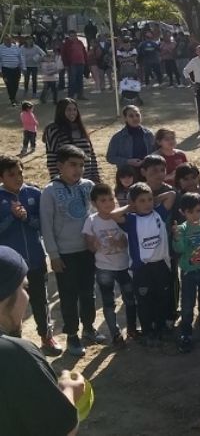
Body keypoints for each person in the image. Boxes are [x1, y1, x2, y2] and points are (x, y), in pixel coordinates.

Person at [0, 246, 84, 436]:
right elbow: (64, 430)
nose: (27, 297)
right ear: (5, 297)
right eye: (24, 288)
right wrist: (70, 391)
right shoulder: (15, 354)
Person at [40, 145, 104, 357]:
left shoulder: (89, 186)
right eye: (73, 164)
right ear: (60, 166)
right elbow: (46, 226)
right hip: (65, 254)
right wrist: (54, 255)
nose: (78, 169)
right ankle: (72, 335)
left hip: (87, 251)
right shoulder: (49, 191)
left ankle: (89, 328)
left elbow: (96, 215)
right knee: (69, 295)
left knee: (88, 292)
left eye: (81, 165)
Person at [0, 155, 61, 354]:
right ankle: (12, 345)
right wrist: (11, 218)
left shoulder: (34, 193)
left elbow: (44, 225)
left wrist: (26, 218)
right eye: (11, 174)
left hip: (35, 259)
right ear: (1, 177)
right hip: (9, 268)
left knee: (40, 300)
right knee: (9, 305)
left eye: (20, 172)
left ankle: (46, 337)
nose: (18, 177)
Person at [113, 182, 174, 346]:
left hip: (161, 265)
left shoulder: (158, 213)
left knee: (162, 298)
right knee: (145, 302)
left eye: (149, 199)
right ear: (134, 203)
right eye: (142, 201)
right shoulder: (131, 220)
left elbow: (171, 195)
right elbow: (114, 215)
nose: (147, 204)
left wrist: (155, 199)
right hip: (142, 269)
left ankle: (161, 328)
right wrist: (129, 207)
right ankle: (148, 331)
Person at [82, 183, 135, 347]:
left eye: (111, 199)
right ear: (94, 203)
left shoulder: (120, 217)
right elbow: (89, 245)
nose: (108, 203)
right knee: (108, 303)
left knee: (130, 299)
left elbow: (129, 240)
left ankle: (132, 329)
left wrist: (120, 242)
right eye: (103, 200)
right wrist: (93, 244)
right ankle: (115, 334)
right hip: (104, 268)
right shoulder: (91, 221)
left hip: (124, 266)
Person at [106, 105, 156, 171]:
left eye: (137, 115)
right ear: (125, 118)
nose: (135, 118)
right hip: (127, 173)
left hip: (146, 172)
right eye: (131, 116)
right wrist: (127, 161)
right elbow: (110, 157)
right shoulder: (118, 137)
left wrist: (146, 160)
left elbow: (155, 153)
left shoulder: (149, 134)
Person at [61, 30, 87, 100]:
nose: (73, 37)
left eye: (74, 36)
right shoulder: (66, 44)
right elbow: (63, 55)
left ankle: (80, 95)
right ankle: (71, 95)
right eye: (71, 36)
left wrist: (85, 61)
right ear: (69, 36)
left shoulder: (80, 42)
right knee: (72, 80)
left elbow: (84, 51)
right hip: (72, 64)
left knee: (80, 80)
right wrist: (66, 64)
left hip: (81, 62)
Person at [0, 34, 25, 106]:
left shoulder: (16, 47)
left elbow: (21, 57)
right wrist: (0, 71)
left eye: (9, 39)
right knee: (9, 84)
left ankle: (13, 98)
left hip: (16, 69)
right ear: (3, 40)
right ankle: (12, 99)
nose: (7, 41)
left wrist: (23, 68)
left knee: (16, 84)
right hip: (6, 70)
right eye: (6, 39)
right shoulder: (0, 48)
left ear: (11, 39)